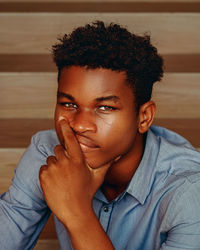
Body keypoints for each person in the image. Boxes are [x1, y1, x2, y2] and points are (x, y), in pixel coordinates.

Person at [0, 21, 200, 250]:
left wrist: (77, 213)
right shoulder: (48, 152)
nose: (80, 125)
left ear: (144, 117)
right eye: (68, 104)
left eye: (105, 108)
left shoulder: (190, 192)